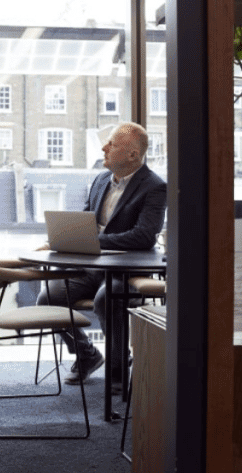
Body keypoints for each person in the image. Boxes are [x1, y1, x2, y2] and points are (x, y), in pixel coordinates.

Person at [36, 122, 166, 392]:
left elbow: (144, 236)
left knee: (106, 299)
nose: (104, 148)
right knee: (48, 298)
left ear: (132, 155)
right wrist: (64, 239)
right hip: (93, 267)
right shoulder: (99, 181)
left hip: (127, 271)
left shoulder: (154, 187)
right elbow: (86, 222)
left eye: (112, 144)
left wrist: (95, 241)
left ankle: (119, 366)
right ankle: (86, 354)